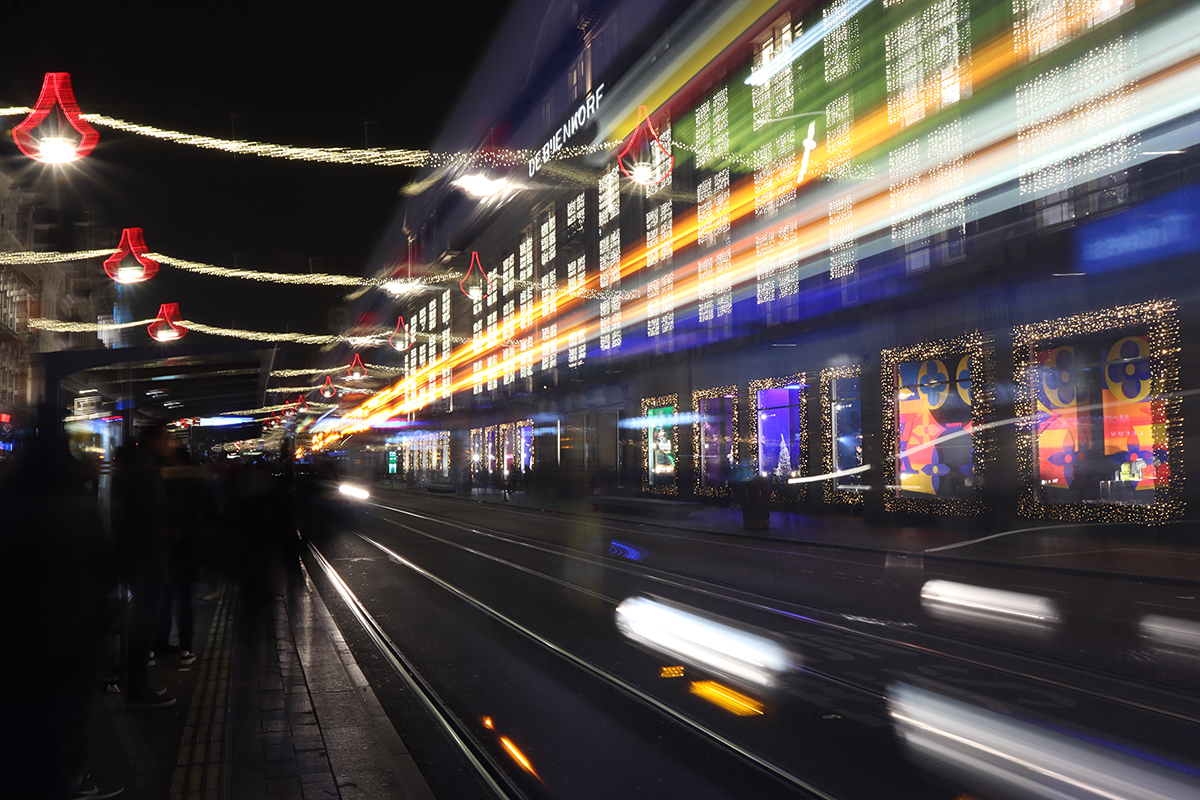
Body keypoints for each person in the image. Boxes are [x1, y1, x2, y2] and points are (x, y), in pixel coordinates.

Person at [112, 422, 177, 708]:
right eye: (164, 438)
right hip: (146, 559)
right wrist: (159, 557)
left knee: (140, 620)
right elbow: (149, 521)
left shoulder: (132, 467)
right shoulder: (146, 472)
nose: (167, 443)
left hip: (134, 557)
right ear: (152, 440)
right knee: (143, 621)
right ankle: (137, 688)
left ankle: (135, 682)